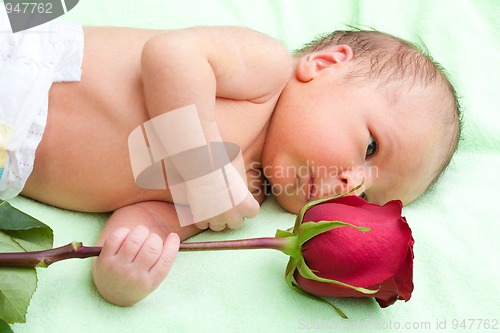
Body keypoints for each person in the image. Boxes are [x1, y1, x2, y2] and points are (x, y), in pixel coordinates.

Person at [0, 13, 461, 306]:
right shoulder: (267, 71)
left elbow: (150, 219)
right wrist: (199, 162)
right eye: (370, 149)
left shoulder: (238, 197)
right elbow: (172, 54)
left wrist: (124, 271)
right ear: (322, 66)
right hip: (22, 60)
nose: (351, 185)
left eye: (368, 192)